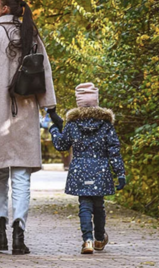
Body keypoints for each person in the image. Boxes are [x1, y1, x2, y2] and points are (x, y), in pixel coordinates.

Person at [0, 0, 59, 254]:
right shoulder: (31, 36)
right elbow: (46, 74)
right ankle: (19, 233)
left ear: (5, 8)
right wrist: (50, 110)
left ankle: (0, 234)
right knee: (21, 177)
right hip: (25, 115)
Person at [49, 83, 126, 254]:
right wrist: (120, 173)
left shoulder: (72, 125)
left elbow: (62, 145)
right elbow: (113, 150)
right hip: (101, 169)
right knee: (99, 205)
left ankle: (87, 241)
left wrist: (54, 130)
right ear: (96, 102)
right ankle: (99, 238)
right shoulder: (106, 126)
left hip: (79, 169)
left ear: (79, 103)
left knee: (84, 205)